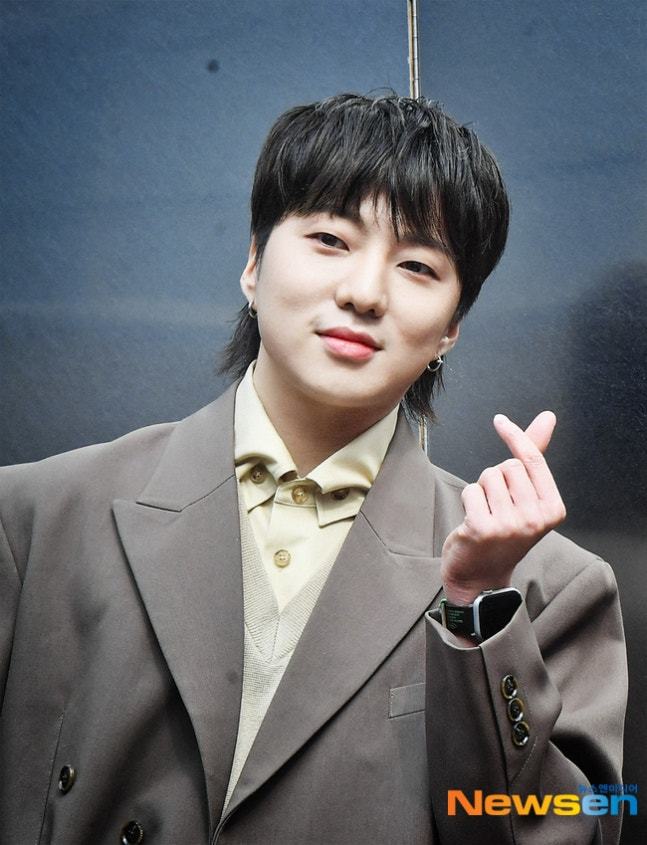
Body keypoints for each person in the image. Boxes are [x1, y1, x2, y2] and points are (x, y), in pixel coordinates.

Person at [0, 93, 627, 845]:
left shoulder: (548, 586)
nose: (363, 292)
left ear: (451, 329)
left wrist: (473, 611)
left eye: (417, 265)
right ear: (253, 263)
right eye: (330, 238)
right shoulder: (34, 520)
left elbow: (582, 826)